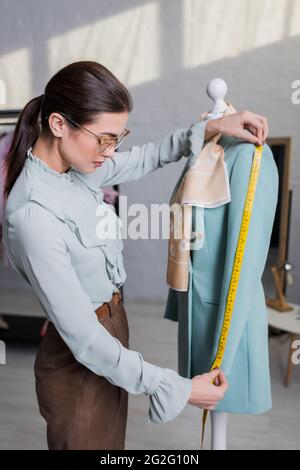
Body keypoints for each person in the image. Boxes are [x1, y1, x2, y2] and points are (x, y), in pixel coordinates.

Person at [2, 61, 268, 450]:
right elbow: (86, 340)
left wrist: (212, 127)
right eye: (104, 139)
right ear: (58, 124)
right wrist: (176, 388)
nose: (110, 151)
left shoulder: (75, 167)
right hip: (84, 357)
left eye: (117, 138)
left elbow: (146, 157)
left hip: (112, 330)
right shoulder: (32, 216)